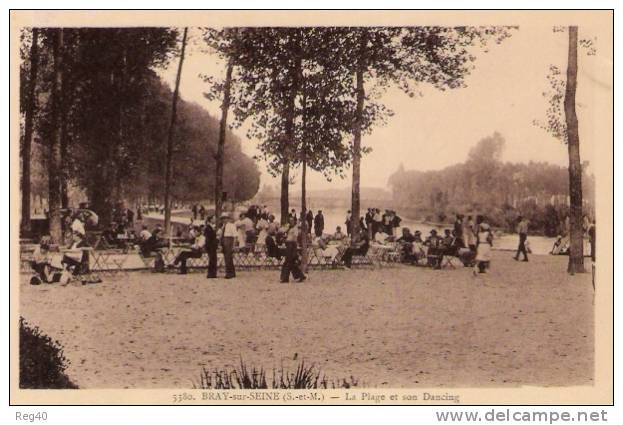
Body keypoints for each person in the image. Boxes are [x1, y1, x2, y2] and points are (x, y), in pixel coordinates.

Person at [280, 216, 306, 283]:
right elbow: (283, 232)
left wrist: (287, 240)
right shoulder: (289, 228)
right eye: (290, 221)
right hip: (289, 245)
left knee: (288, 262)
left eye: (292, 221)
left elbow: (294, 238)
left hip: (292, 245)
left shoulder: (295, 229)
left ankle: (285, 278)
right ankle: (300, 276)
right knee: (291, 263)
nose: (290, 222)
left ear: (294, 221)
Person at [221, 213, 236, 279]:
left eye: (225, 218)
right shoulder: (223, 226)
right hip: (224, 241)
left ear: (228, 219)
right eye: (223, 219)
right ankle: (232, 272)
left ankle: (229, 273)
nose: (224, 220)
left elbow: (235, 236)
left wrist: (233, 245)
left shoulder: (231, 225)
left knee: (228, 258)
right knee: (226, 258)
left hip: (229, 241)